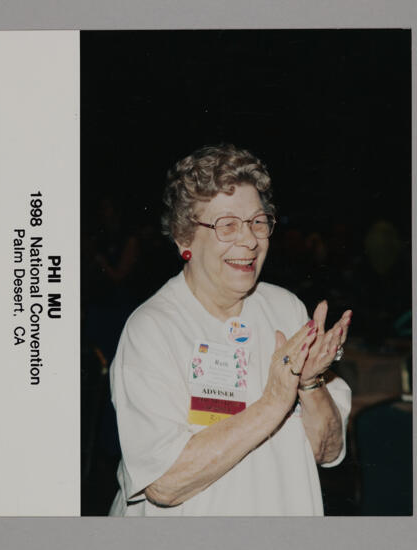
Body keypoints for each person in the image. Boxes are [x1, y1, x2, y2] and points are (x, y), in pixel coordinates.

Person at [109, 144, 352, 516]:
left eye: (258, 221)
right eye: (227, 225)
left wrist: (309, 384)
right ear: (184, 237)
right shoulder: (153, 329)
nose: (250, 240)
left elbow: (328, 451)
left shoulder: (286, 309)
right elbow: (164, 483)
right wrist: (274, 400)